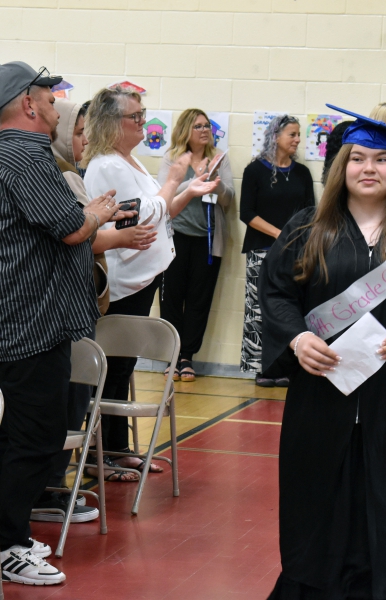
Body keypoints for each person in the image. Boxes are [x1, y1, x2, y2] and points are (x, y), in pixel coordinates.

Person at [259, 105, 386, 598]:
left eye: (380, 159)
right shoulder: (308, 228)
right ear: (341, 167)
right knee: (318, 502)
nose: (367, 168)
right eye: (356, 158)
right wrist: (297, 338)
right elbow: (277, 294)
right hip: (322, 397)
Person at [0, 62, 132, 585]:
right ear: (29, 105)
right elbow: (72, 229)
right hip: (30, 323)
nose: (59, 112)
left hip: (23, 318)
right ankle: (8, 545)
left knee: (20, 435)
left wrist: (87, 217)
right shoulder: (24, 154)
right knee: (36, 435)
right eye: (52, 101)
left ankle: (7, 532)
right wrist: (96, 213)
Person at [32, 97, 160, 522]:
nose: (84, 140)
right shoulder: (57, 175)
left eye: (87, 131)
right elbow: (75, 234)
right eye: (78, 131)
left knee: (70, 400)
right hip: (54, 313)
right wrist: (109, 229)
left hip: (70, 307)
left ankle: (51, 488)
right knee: (55, 404)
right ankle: (44, 493)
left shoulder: (65, 172)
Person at [83, 86, 220, 479]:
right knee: (114, 366)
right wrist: (175, 178)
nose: (143, 122)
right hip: (126, 280)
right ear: (112, 123)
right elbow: (137, 217)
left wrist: (188, 189)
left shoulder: (130, 161)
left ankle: (117, 448)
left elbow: (158, 214)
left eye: (143, 115)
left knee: (124, 368)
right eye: (135, 117)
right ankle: (101, 456)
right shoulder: (107, 165)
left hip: (145, 274)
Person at [158, 108, 234, 382]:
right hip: (174, 238)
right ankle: (172, 356)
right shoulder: (172, 158)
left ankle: (188, 357)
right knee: (171, 299)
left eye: (207, 126)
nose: (205, 130)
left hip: (208, 241)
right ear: (186, 130)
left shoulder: (219, 158)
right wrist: (194, 181)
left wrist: (217, 187)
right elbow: (163, 194)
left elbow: (229, 199)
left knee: (199, 301)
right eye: (198, 126)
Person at [239, 114, 315, 386]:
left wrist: (298, 240)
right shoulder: (254, 171)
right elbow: (246, 213)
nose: (297, 140)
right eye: (292, 134)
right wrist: (281, 234)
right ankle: (261, 368)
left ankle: (286, 366)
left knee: (289, 308)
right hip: (262, 250)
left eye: (298, 135)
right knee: (258, 308)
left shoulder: (302, 173)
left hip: (297, 252)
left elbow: (310, 212)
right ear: (275, 137)